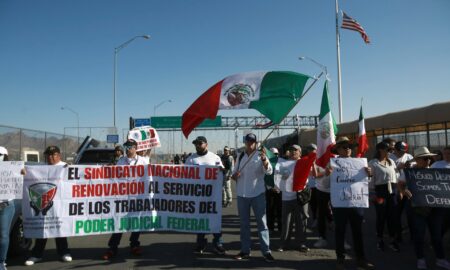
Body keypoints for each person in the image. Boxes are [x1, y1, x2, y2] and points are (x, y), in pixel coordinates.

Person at [398, 146, 450, 270]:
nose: (427, 160)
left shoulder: (434, 170)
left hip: (435, 208)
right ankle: (420, 259)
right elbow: (400, 184)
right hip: (416, 208)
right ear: (417, 159)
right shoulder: (409, 172)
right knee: (419, 235)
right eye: (424, 158)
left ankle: (441, 259)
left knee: (436, 235)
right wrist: (404, 191)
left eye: (429, 158)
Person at [328, 137, 374, 270]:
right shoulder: (332, 164)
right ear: (338, 149)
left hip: (356, 202)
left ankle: (361, 258)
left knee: (358, 232)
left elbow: (366, 184)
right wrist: (327, 174)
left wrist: (369, 175)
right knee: (340, 231)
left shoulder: (359, 163)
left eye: (349, 146)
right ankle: (340, 259)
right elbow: (325, 185)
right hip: (340, 204)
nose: (347, 149)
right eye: (344, 147)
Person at [25, 146, 72, 266]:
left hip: (60, 204)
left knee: (60, 229)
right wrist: (23, 172)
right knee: (42, 228)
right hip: (44, 202)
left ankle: (64, 252)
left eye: (53, 154)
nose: (50, 157)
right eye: (48, 155)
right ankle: (36, 254)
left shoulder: (65, 166)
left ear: (59, 155)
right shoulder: (41, 167)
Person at [102, 139, 148, 260]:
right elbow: (115, 178)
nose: (128, 149)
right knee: (119, 222)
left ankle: (134, 245)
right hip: (122, 198)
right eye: (126, 147)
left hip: (137, 196)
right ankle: (112, 248)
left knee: (136, 221)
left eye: (130, 147)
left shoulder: (143, 161)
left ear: (135, 148)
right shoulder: (121, 161)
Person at [231, 133, 274, 262]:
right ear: (245, 142)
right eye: (248, 141)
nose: (250, 143)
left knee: (262, 223)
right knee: (244, 225)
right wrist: (235, 175)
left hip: (257, 194)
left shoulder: (261, 155)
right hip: (242, 194)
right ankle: (245, 251)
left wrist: (265, 161)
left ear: (256, 142)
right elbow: (233, 174)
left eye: (252, 141)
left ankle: (266, 251)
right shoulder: (241, 155)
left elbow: (269, 171)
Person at [185, 136, 226, 255]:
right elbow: (184, 176)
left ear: (206, 144)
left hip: (213, 195)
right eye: (196, 144)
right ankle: (200, 244)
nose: (198, 145)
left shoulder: (215, 157)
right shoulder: (191, 159)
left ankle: (218, 243)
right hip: (197, 196)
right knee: (200, 220)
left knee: (215, 219)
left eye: (200, 143)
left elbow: (222, 173)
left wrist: (221, 171)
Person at [277, 144, 309, 253]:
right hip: (286, 197)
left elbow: (311, 176)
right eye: (291, 150)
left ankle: (301, 243)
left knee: (301, 221)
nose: (293, 152)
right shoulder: (282, 163)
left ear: (300, 152)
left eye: (296, 150)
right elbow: (278, 177)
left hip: (300, 196)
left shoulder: (304, 162)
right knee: (286, 222)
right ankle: (284, 244)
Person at [369, 142, 400, 252]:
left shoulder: (391, 162)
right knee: (381, 216)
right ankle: (380, 239)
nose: (390, 152)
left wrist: (398, 190)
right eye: (388, 150)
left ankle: (392, 239)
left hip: (392, 191)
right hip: (380, 192)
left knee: (392, 216)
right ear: (380, 150)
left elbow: (396, 176)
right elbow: (370, 180)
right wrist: (373, 194)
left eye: (391, 150)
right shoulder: (373, 163)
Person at [0, 147, 14, 270]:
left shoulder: (12, 169)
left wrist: (23, 173)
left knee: (3, 235)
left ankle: (1, 262)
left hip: (5, 206)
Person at [265, 147, 282, 234]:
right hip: (269, 190)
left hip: (279, 190)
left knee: (280, 210)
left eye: (276, 154)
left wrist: (279, 188)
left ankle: (280, 228)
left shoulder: (281, 162)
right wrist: (270, 187)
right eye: (272, 154)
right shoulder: (266, 163)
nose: (275, 156)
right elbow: (265, 176)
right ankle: (270, 228)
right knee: (270, 210)